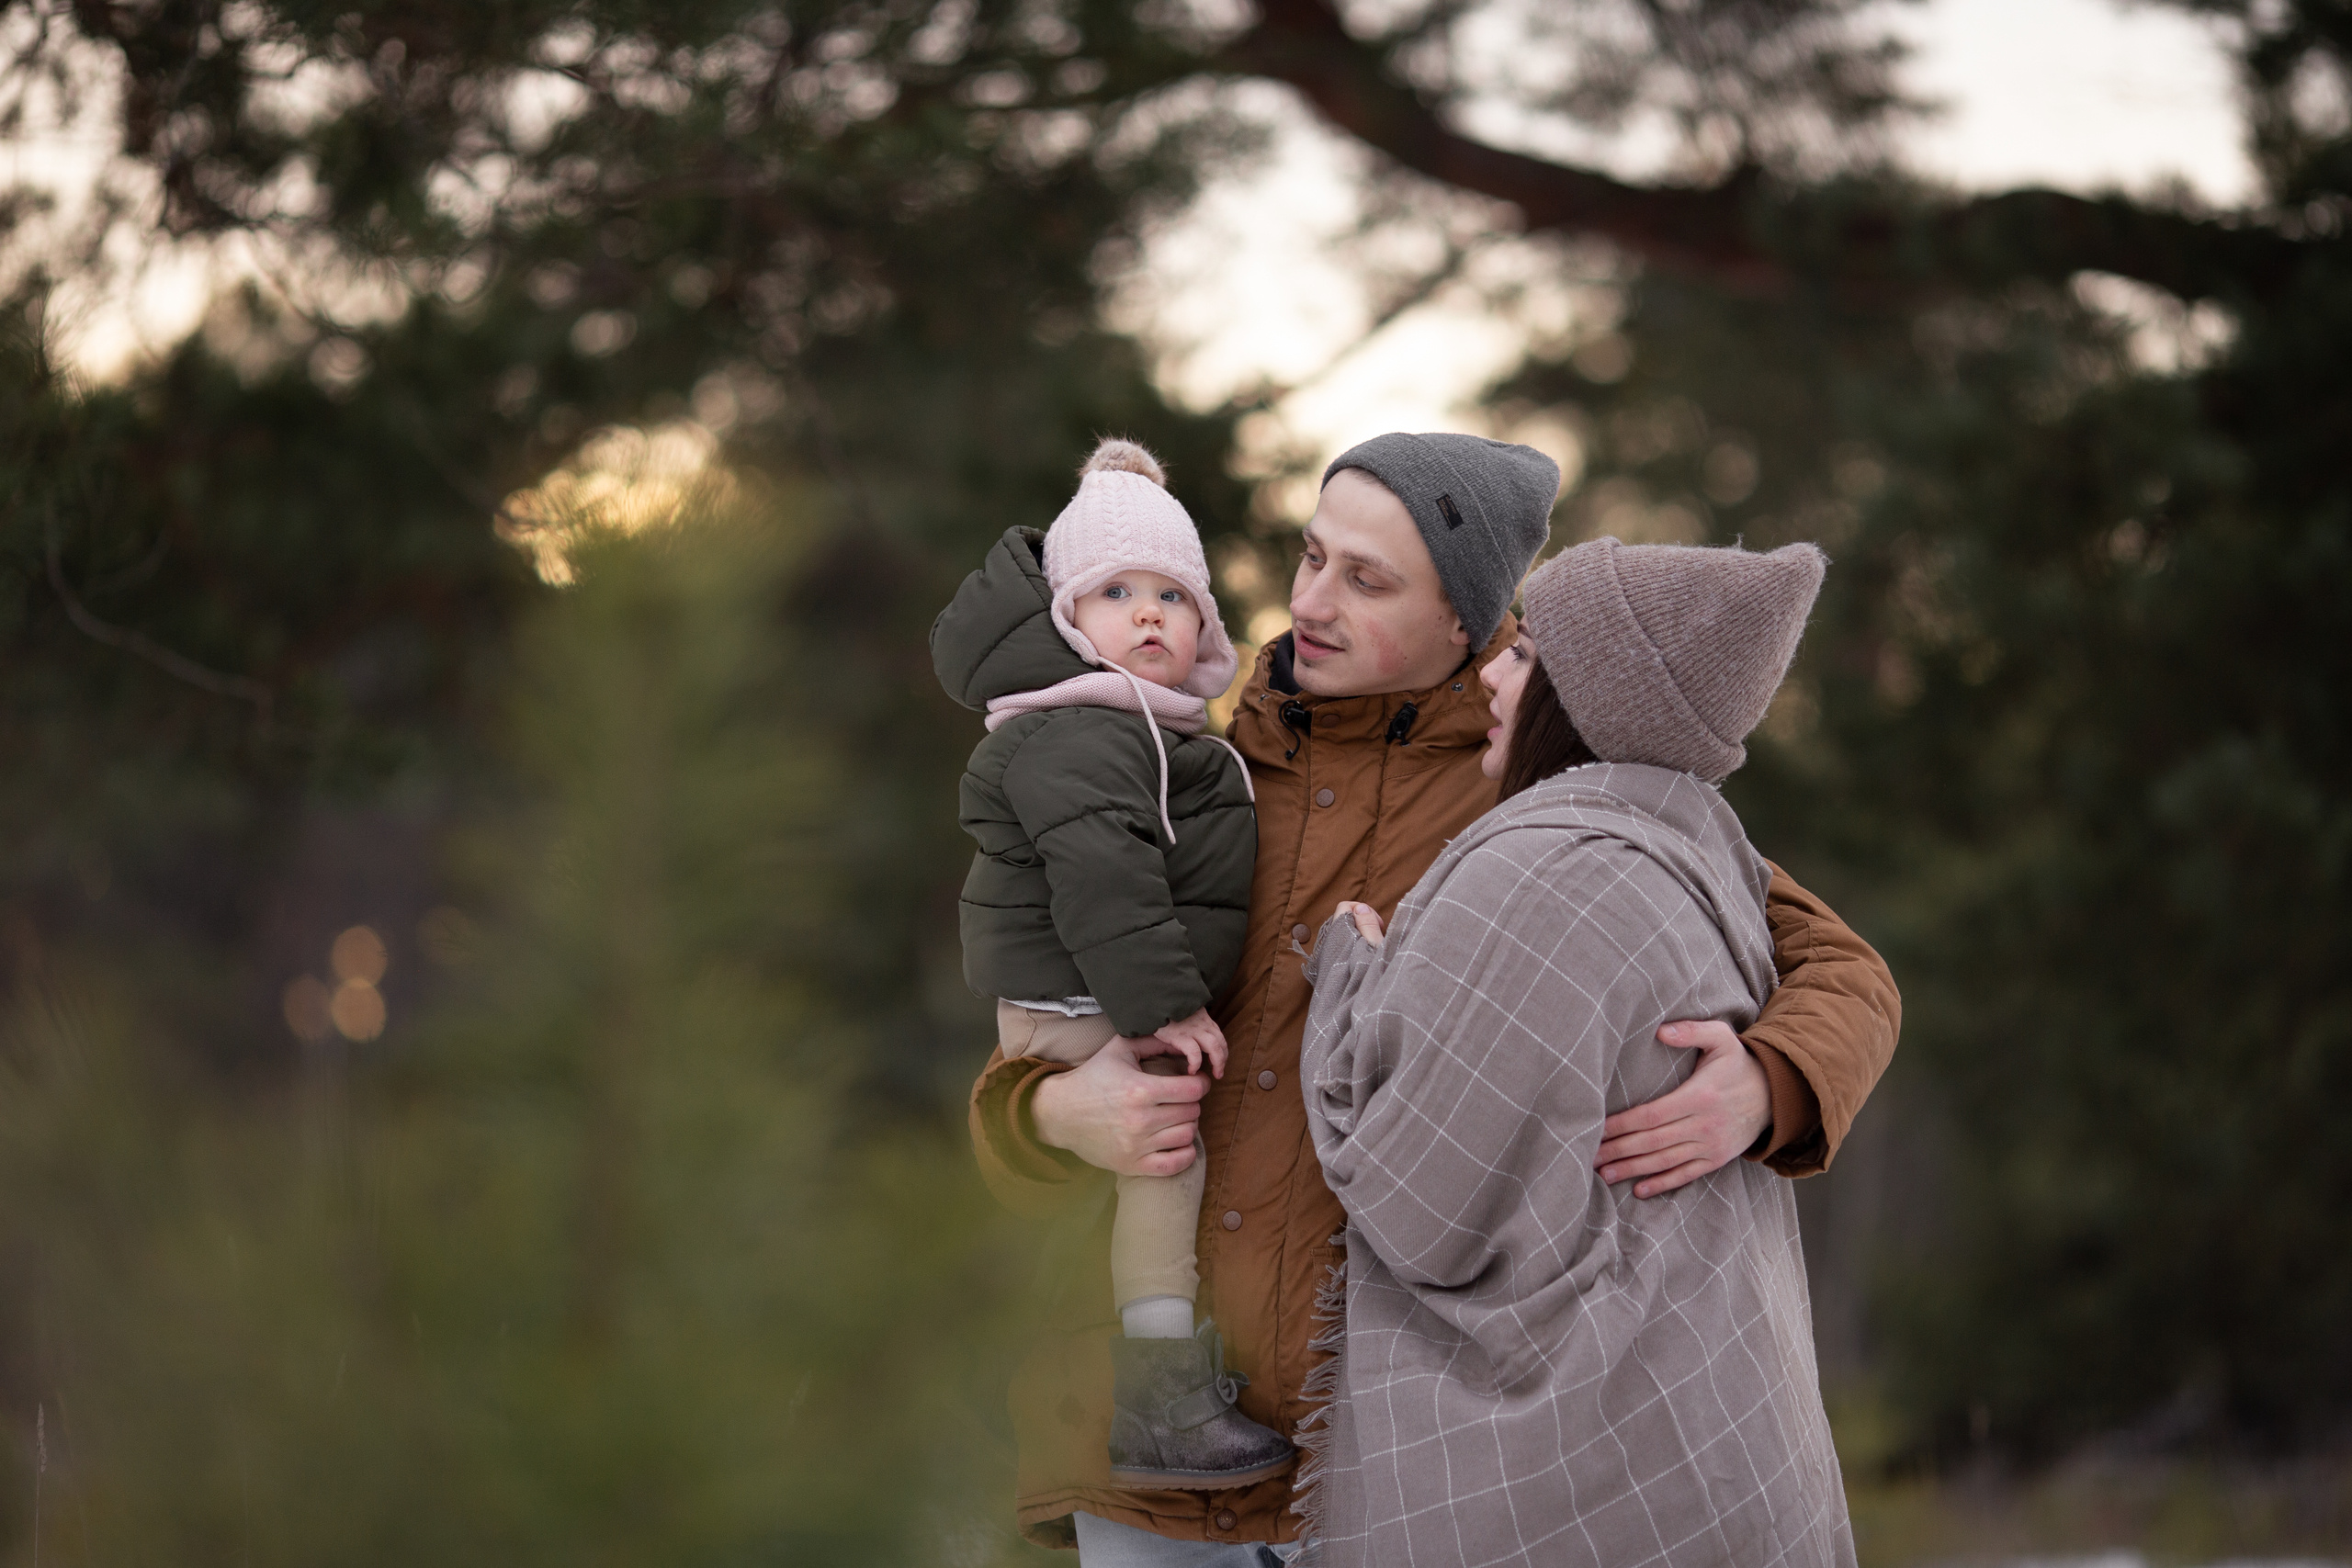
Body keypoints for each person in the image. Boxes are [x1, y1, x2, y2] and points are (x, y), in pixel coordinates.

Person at [967, 433, 1900, 1562]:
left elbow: (1842, 967)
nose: (1309, 603)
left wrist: (1769, 1080)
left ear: (1467, 618)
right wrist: (1049, 1113)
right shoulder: (1182, 768)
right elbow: (1037, 1025)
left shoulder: (1546, 788)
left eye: (1366, 580)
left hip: (1376, 1454)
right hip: (1137, 1447)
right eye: (1312, 557)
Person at [1295, 537, 1855, 1567]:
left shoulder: (1538, 878)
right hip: (1716, 1444)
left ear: (1588, 692)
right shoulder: (1701, 854)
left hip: (1583, 1485)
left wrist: (1343, 975)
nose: (1493, 674)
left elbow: (1419, 1200)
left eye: (1525, 654)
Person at [933, 437, 1297, 1490]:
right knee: (1162, 1164)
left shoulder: (1150, 734)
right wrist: (1166, 1005)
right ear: (1066, 618)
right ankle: (1159, 1397)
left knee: (1147, 1170)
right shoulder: (1080, 732)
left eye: (1172, 597)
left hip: (1095, 988)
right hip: (1082, 999)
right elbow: (1104, 875)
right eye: (1116, 593)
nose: (1148, 616)